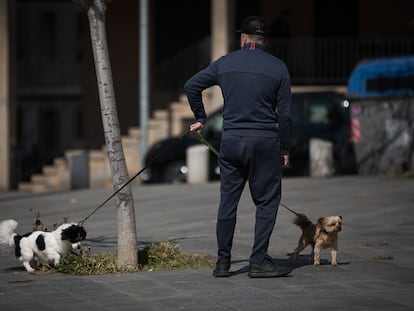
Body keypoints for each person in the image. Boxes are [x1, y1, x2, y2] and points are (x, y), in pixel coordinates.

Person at [184, 16, 292, 278]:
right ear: (265, 41)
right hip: (265, 143)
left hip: (231, 141)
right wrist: (285, 149)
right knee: (266, 202)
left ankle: (222, 263)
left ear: (243, 38)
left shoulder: (225, 63)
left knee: (228, 202)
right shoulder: (279, 68)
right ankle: (257, 262)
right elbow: (286, 116)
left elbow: (192, 85)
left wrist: (201, 117)